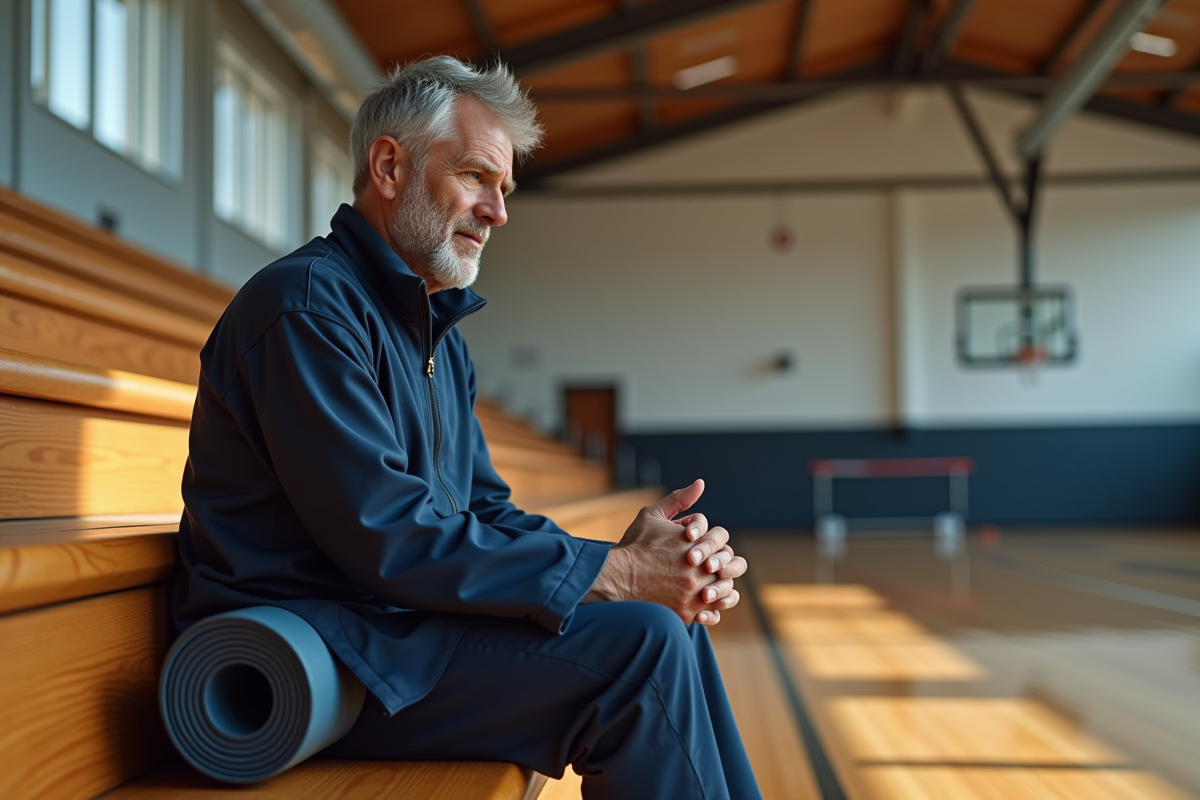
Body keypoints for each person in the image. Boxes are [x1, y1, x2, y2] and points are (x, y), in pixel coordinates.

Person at [174, 56, 760, 800]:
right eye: (477, 176)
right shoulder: (305, 308)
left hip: (398, 630)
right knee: (638, 647)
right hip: (317, 654)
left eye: (505, 189)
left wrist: (625, 564)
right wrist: (614, 577)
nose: (499, 211)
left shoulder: (436, 337)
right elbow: (389, 538)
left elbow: (484, 513)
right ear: (389, 167)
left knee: (660, 622)